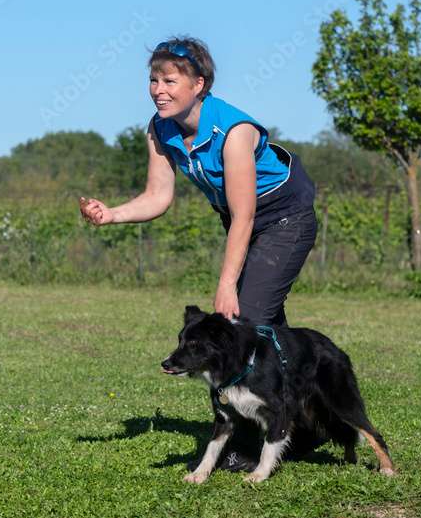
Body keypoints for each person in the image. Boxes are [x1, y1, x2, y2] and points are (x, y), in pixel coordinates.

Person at [79, 36, 319, 470]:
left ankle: (244, 445)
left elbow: (245, 217)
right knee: (269, 331)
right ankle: (298, 424)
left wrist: (227, 285)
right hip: (245, 222)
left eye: (170, 80)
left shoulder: (233, 131)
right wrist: (111, 214)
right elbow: (157, 196)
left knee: (246, 320)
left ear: (199, 84)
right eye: (153, 79)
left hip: (285, 217)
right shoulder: (160, 128)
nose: (158, 89)